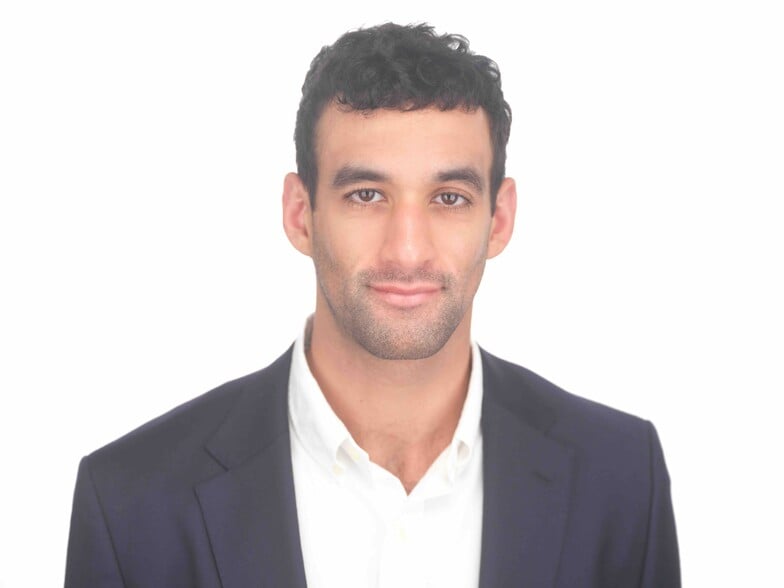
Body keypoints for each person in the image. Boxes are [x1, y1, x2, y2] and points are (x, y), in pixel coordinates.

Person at [65, 22, 680, 588]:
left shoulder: (622, 480)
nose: (407, 250)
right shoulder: (131, 503)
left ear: (499, 219)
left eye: (449, 197)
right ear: (300, 214)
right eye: (366, 194)